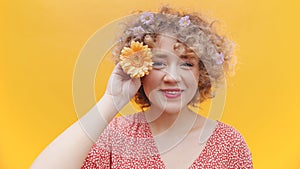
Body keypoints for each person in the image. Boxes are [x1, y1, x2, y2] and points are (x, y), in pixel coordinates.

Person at [31, 6, 253, 169]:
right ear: (140, 69)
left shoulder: (228, 143)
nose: (172, 77)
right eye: (158, 63)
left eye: (186, 63)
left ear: (200, 73)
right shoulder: (115, 136)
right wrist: (112, 99)